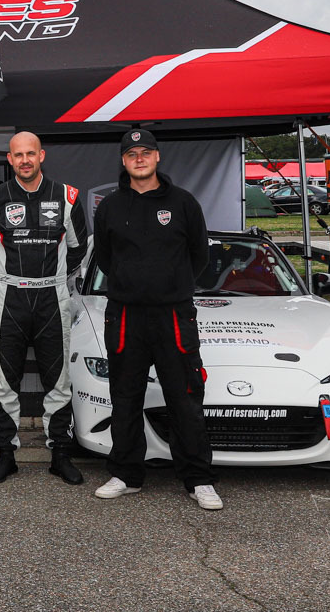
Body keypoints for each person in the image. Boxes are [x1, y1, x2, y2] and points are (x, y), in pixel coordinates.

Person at [90, 128, 223, 510]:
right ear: (123, 161)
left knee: (185, 397)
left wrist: (169, 286)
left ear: (157, 156)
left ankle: (198, 479)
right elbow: (105, 259)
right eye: (132, 154)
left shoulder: (183, 203)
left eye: (146, 152)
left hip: (173, 314)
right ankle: (126, 475)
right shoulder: (110, 206)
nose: (140, 158)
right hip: (126, 314)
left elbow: (199, 256)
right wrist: (135, 284)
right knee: (125, 396)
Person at [0, 131, 90, 484]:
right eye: (18, 155)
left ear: (42, 156)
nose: (25, 160)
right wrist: (12, 276)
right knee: (4, 380)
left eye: (30, 154)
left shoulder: (67, 196)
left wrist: (51, 276)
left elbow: (78, 248)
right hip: (9, 297)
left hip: (53, 296)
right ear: (9, 159)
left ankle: (60, 454)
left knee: (59, 381)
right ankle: (7, 454)